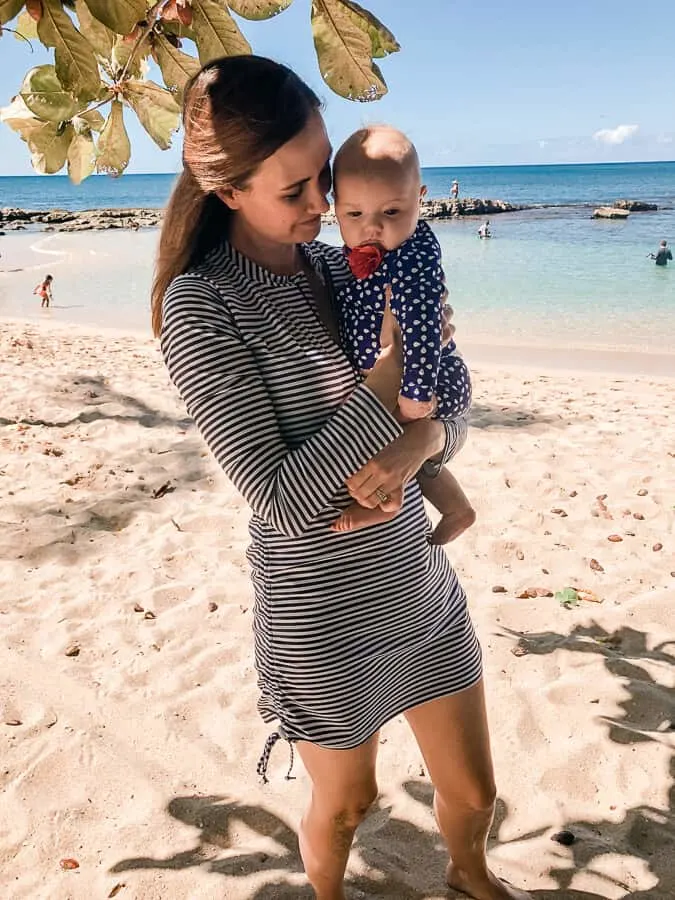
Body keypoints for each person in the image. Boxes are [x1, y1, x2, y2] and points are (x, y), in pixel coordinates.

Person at [152, 55, 532, 900]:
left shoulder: (343, 266)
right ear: (226, 191)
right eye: (294, 193)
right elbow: (281, 502)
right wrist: (389, 385)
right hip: (319, 619)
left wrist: (425, 433)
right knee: (348, 801)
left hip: (416, 585)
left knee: (473, 791)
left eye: (320, 179)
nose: (324, 208)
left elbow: (446, 414)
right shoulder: (201, 305)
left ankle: (468, 875)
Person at [330, 125, 475, 544]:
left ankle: (385, 505)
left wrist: (414, 397)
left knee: (382, 434)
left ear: (420, 199)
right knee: (409, 449)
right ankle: (455, 507)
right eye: (354, 215)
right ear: (335, 207)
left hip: (428, 381)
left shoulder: (411, 257)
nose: (371, 228)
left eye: (391, 213)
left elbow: (425, 327)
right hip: (410, 381)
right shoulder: (363, 255)